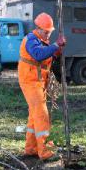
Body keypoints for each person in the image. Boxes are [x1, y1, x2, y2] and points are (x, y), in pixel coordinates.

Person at [18, 12, 66, 161]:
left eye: (49, 33)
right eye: (46, 32)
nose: (48, 35)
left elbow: (45, 57)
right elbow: (38, 55)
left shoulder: (40, 39)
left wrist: (56, 52)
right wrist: (55, 45)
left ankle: (31, 149)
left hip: (37, 82)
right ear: (38, 29)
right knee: (41, 115)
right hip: (30, 82)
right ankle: (46, 152)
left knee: (34, 116)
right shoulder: (31, 40)